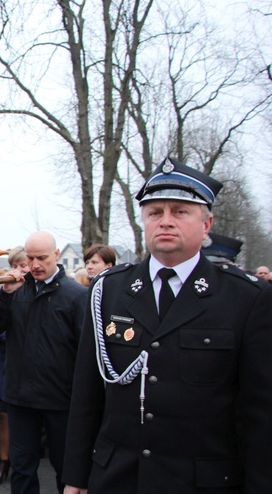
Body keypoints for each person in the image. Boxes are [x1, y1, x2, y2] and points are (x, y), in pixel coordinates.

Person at [62, 158, 272, 492]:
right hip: (118, 478)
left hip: (202, 481)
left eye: (180, 211)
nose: (166, 221)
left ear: (207, 225)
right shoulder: (109, 290)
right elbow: (86, 396)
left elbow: (260, 415)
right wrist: (74, 479)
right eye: (155, 212)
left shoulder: (245, 297)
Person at [0, 231, 88, 494]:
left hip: (61, 398)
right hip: (20, 397)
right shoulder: (16, 290)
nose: (34, 265)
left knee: (66, 468)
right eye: (30, 258)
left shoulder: (76, 295)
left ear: (56, 255)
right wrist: (5, 295)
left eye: (41, 258)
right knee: (22, 468)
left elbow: (85, 351)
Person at [0, 247, 29, 487]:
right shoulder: (5, 292)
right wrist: (5, 295)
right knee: (0, 411)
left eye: (23, 265)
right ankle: (3, 460)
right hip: (8, 356)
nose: (19, 270)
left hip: (34, 362)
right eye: (16, 266)